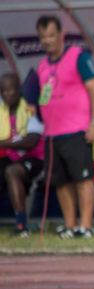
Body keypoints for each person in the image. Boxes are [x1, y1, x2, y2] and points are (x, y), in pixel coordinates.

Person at [36, 15, 94, 239]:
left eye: (51, 35)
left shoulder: (79, 58)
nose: (48, 40)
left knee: (83, 179)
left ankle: (86, 225)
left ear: (61, 35)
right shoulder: (43, 66)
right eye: (43, 36)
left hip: (77, 130)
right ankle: (70, 224)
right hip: (52, 135)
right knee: (60, 182)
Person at [0, 73, 45, 237]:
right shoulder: (1, 111)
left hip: (35, 159)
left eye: (10, 91)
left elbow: (31, 141)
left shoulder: (30, 109)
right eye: (3, 91)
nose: (7, 95)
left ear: (18, 90)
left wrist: (4, 143)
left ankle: (21, 225)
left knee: (12, 171)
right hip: (11, 156)